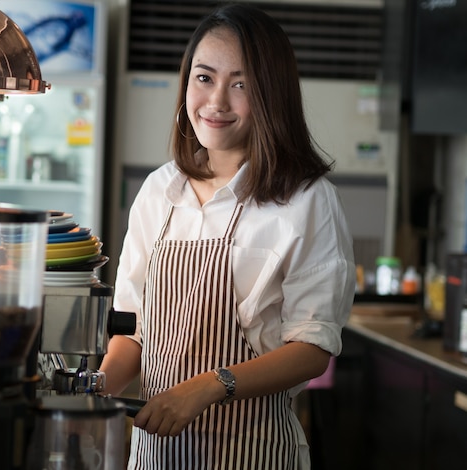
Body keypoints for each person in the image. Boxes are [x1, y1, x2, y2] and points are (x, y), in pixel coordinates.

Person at [100, 3, 356, 469]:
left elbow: (313, 350)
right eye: (204, 78)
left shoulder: (307, 200)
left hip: (253, 451)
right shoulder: (160, 190)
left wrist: (207, 386)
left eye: (241, 84)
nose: (216, 101)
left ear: (271, 95)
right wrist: (95, 392)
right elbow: (132, 329)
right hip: (157, 452)